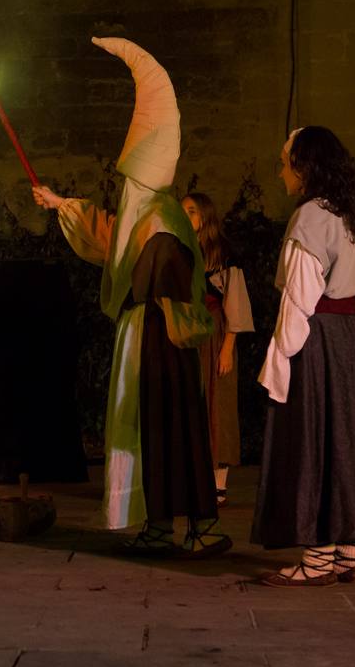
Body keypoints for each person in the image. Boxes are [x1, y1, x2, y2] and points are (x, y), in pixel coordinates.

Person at [33, 37, 224, 557]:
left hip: (160, 343)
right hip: (146, 337)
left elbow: (153, 269)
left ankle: (193, 525)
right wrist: (58, 203)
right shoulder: (149, 216)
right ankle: (161, 522)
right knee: (149, 433)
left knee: (166, 429)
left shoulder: (163, 224)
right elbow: (111, 233)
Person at [253, 126, 355, 586]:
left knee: (314, 440)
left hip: (317, 338)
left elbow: (299, 297)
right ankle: (345, 553)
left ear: (304, 166)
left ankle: (317, 557)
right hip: (353, 340)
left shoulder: (311, 217)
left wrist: (279, 359)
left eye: (285, 163)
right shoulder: (352, 216)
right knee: (348, 440)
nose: (281, 172)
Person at [181, 192, 254, 507]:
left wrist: (227, 348)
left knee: (218, 404)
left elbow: (234, 304)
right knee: (192, 403)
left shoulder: (222, 254)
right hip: (187, 334)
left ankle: (218, 484)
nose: (186, 216)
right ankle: (192, 478)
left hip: (215, 334)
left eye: (192, 211)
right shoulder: (179, 251)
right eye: (182, 210)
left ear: (205, 216)